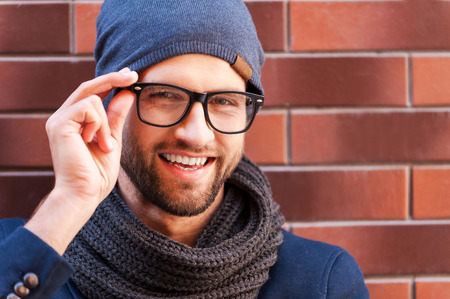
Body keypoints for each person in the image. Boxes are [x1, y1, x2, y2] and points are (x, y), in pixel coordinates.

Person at [0, 1, 370, 298]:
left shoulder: (320, 282)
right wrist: (68, 204)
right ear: (109, 100)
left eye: (224, 101)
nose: (196, 133)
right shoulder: (20, 255)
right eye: (165, 96)